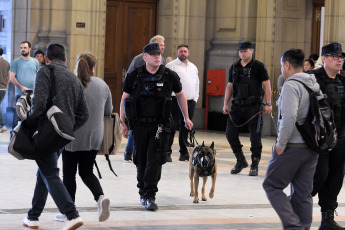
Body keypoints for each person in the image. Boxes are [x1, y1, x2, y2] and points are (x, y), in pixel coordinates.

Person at [120, 43, 193, 211]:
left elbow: (181, 95)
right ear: (145, 57)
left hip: (160, 126)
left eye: (159, 54)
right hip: (139, 125)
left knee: (155, 159)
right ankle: (142, 191)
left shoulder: (169, 75)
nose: (157, 57)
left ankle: (150, 195)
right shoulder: (134, 76)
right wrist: (123, 123)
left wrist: (186, 118)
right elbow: (124, 98)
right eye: (153, 54)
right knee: (140, 159)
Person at [22, 43, 88, 230]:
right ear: (65, 60)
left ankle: (72, 214)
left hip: (46, 133)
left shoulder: (44, 71)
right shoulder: (74, 79)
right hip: (62, 136)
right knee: (44, 172)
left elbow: (39, 105)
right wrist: (68, 129)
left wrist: (29, 125)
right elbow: (84, 114)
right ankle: (32, 217)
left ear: (47, 59)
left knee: (49, 173)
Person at [263, 49, 319, 229]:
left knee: (271, 185)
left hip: (293, 147)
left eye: (281, 65)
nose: (282, 69)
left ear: (287, 64)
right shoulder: (313, 83)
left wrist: (281, 144)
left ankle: (293, 226)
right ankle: (303, 226)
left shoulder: (290, 85)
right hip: (312, 147)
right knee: (303, 193)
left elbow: (288, 117)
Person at [54, 52, 113, 223]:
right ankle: (100, 198)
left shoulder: (70, 83)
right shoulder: (103, 85)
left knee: (69, 174)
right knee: (87, 171)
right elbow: (108, 111)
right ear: (94, 67)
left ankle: (69, 211)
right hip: (95, 136)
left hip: (71, 136)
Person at [223, 41, 272, 176]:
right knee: (230, 133)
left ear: (252, 51)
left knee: (255, 136)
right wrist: (225, 103)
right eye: (241, 51)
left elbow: (267, 85)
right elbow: (229, 86)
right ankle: (240, 160)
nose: (242, 53)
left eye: (245, 51)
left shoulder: (259, 66)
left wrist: (268, 103)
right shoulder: (234, 67)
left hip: (254, 106)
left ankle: (254, 164)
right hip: (237, 106)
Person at [310, 42, 345, 230]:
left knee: (335, 178)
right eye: (334, 56)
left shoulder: (342, 81)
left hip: (340, 138)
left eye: (341, 57)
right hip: (319, 138)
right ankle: (298, 208)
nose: (339, 60)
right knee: (319, 175)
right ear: (324, 59)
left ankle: (327, 218)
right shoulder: (311, 79)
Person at [123, 35, 166, 162]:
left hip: (155, 101)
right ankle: (129, 151)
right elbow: (128, 78)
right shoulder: (138, 60)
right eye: (159, 46)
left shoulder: (162, 60)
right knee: (135, 126)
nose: (162, 48)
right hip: (138, 100)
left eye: (163, 46)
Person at [166, 43, 199, 161]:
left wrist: (195, 98)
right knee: (172, 126)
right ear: (177, 53)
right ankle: (167, 152)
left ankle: (183, 152)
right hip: (175, 100)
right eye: (181, 51)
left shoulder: (193, 67)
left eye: (185, 51)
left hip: (190, 101)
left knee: (186, 127)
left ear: (188, 53)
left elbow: (196, 84)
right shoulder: (171, 66)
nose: (183, 53)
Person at [10, 41, 40, 130]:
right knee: (16, 116)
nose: (22, 49)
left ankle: (29, 138)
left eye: (25, 48)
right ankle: (13, 138)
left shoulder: (35, 62)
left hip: (33, 94)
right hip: (20, 93)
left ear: (29, 49)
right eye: (21, 48)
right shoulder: (16, 62)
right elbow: (12, 77)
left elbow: (38, 76)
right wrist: (21, 87)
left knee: (32, 116)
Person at [0, 48, 10, 132]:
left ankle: (2, 124)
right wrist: (6, 83)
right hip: (3, 88)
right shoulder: (6, 63)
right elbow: (9, 76)